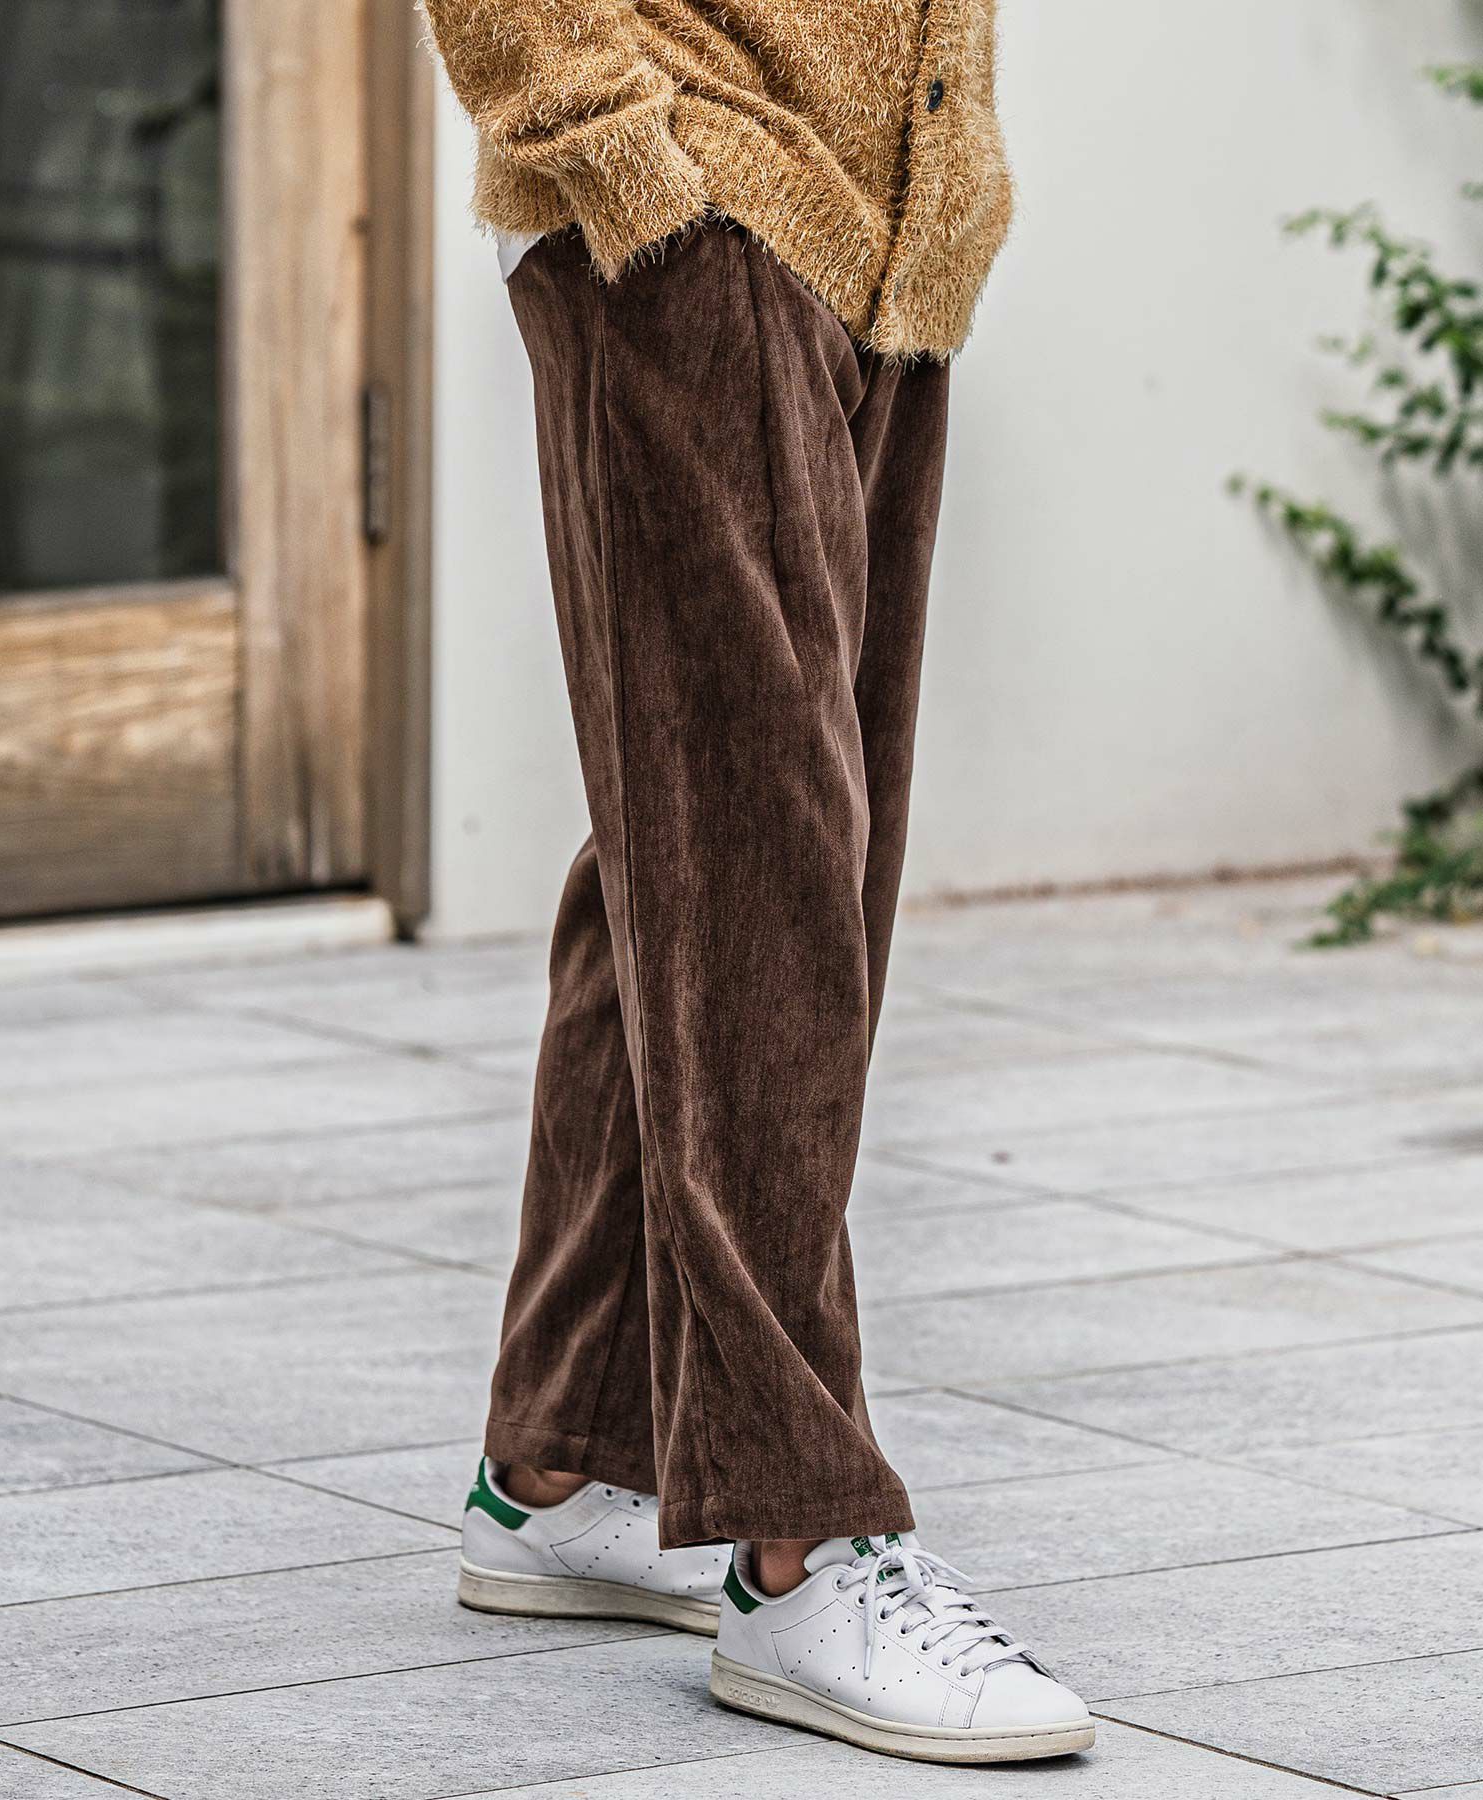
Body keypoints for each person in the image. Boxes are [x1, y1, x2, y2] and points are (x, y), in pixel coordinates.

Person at [423, 0, 1093, 1765]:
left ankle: (563, 1462)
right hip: (695, 202)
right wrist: (614, 150)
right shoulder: (673, 202)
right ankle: (804, 1540)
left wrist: (948, 193)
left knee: (710, 845)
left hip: (884, 245)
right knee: (765, 871)